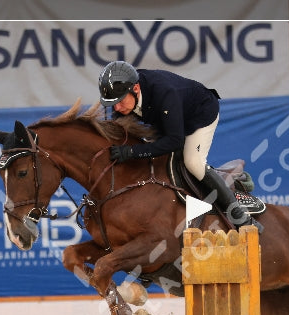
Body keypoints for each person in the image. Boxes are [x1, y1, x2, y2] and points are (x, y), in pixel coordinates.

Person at [97, 60, 251, 225]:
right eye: (113, 103)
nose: (117, 109)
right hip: (166, 118)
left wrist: (132, 152)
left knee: (192, 162)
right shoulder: (125, 98)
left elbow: (175, 141)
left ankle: (236, 212)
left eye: (120, 101)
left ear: (136, 88)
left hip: (200, 114)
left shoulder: (164, 92)